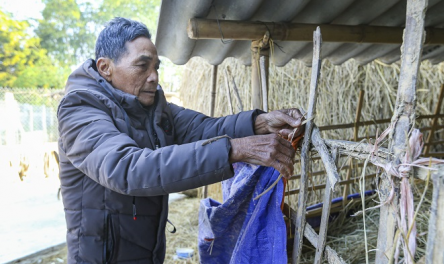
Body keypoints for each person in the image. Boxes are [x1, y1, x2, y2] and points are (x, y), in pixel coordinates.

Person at [57, 17, 303, 264]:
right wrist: (234, 150)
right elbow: (127, 167)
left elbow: (206, 129)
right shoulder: (80, 108)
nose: (153, 77)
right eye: (142, 66)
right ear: (105, 68)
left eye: (156, 68)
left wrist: (259, 124)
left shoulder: (155, 109)